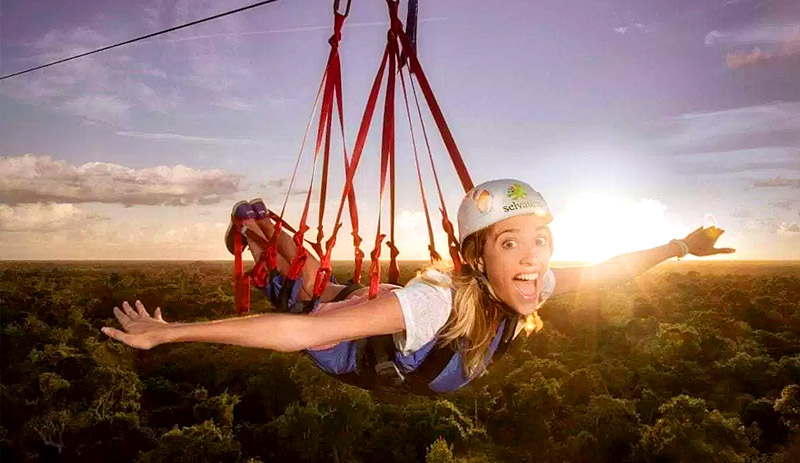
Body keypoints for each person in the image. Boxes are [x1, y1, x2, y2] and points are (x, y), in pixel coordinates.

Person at [101, 179, 734, 394]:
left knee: (324, 280)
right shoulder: (437, 301)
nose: (531, 257)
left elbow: (611, 271)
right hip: (343, 346)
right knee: (303, 292)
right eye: (508, 242)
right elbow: (302, 333)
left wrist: (679, 247)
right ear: (479, 260)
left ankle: (261, 229)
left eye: (537, 240)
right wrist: (173, 332)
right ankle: (256, 229)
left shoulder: (533, 286)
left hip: (372, 326)